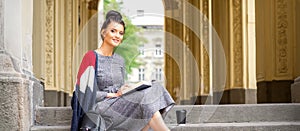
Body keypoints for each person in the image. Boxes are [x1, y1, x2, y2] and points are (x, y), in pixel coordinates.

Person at [71, 10, 175, 131]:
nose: (117, 36)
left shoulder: (119, 60)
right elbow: (83, 93)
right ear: (103, 32)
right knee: (144, 100)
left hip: (119, 102)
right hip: (101, 106)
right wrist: (111, 94)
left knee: (156, 86)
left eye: (121, 33)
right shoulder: (91, 56)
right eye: (113, 31)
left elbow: (119, 87)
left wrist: (127, 89)